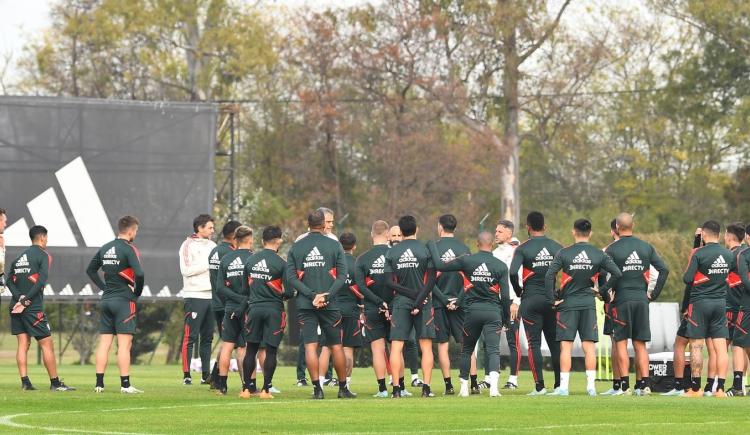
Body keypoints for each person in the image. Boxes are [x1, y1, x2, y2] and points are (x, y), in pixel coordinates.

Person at [545, 218, 622, 396]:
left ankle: (563, 388)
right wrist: (601, 291)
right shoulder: (598, 254)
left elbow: (549, 275)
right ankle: (591, 388)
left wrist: (552, 300)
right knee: (589, 347)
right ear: (591, 233)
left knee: (566, 347)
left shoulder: (564, 253)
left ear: (573, 231)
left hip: (567, 305)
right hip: (588, 304)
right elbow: (617, 273)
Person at [428, 232, 510, 397]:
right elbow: (506, 297)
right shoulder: (501, 266)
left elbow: (439, 265)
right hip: (493, 312)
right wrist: (506, 319)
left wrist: (431, 246)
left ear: (477, 244)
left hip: (471, 312)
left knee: (466, 349)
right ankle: (494, 389)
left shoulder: (467, 260)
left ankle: (464, 389)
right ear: (492, 244)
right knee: (493, 350)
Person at [286, 209, 355, 399]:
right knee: (336, 346)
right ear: (324, 224)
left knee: (310, 346)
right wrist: (326, 295)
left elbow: (291, 277)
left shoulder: (297, 247)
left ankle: (317, 389)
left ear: (308, 225)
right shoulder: (334, 245)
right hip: (330, 304)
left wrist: (310, 295)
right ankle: (343, 389)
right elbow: (343, 276)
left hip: (306, 304)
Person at [601, 213, 669, 396]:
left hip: (621, 301)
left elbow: (602, 274)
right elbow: (664, 270)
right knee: (640, 345)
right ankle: (645, 385)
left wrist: (605, 293)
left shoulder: (612, 249)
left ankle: (624, 386)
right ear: (634, 225)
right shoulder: (646, 247)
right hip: (641, 300)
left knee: (621, 343)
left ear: (616, 226)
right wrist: (652, 295)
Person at [384, 215, 449, 398]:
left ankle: (396, 389)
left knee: (396, 347)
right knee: (426, 347)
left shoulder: (392, 252)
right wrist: (418, 299)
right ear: (417, 229)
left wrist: (410, 296)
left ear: (401, 232)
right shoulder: (425, 249)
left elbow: (389, 283)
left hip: (400, 303)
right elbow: (431, 281)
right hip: (424, 302)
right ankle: (426, 388)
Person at [7, 225, 74, 391]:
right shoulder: (44, 255)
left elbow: (8, 280)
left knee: (23, 344)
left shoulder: (19, 258)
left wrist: (19, 298)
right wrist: (25, 300)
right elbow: (41, 281)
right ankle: (55, 383)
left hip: (15, 306)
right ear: (43, 238)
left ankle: (25, 382)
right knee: (47, 344)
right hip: (31, 308)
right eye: (47, 238)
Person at [87, 215, 145, 394]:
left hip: (106, 300)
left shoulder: (105, 248)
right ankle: (125, 385)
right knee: (124, 344)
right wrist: (136, 293)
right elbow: (140, 274)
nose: (136, 234)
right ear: (131, 231)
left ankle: (99, 384)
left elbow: (90, 270)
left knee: (104, 343)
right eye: (136, 231)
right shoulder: (129, 249)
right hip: (124, 301)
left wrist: (104, 287)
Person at [509, 211, 563, 395]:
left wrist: (518, 292)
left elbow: (512, 273)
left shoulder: (523, 248)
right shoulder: (556, 247)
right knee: (556, 344)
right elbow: (568, 272)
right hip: (552, 301)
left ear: (528, 227)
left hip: (531, 299)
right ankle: (559, 385)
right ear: (545, 227)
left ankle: (539, 386)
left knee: (534, 344)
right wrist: (560, 294)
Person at [682, 220, 734, 398]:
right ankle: (719, 389)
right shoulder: (728, 255)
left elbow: (687, 279)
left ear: (703, 234)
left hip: (699, 304)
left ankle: (696, 389)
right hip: (720, 304)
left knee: (696, 346)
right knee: (721, 348)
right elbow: (732, 276)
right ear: (719, 235)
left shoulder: (699, 253)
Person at [240, 225, 293, 399]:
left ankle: (246, 389)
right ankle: (265, 390)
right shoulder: (281, 263)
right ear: (279, 241)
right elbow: (290, 291)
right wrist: (282, 295)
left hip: (254, 308)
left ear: (262, 241)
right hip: (274, 311)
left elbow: (244, 288)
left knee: (251, 350)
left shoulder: (250, 260)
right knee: (270, 351)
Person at [295, 207, 337, 387]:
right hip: (307, 298)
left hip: (327, 299)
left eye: (332, 223)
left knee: (329, 340)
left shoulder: (334, 240)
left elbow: (336, 272)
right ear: (320, 223)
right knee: (308, 340)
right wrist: (312, 294)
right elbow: (296, 273)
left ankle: (327, 375)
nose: (330, 226)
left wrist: (326, 295)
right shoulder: (301, 241)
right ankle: (301, 375)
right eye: (327, 222)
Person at [356, 220, 398, 397]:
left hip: (372, 308)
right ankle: (399, 387)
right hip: (396, 309)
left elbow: (361, 286)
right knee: (396, 348)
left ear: (371, 235)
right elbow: (401, 282)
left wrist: (378, 302)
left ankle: (382, 389)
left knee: (377, 349)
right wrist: (390, 304)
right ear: (388, 234)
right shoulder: (396, 255)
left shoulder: (362, 259)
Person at [432, 214, 471, 395]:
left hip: (440, 304)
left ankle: (448, 385)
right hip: (461, 304)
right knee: (466, 344)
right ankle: (474, 383)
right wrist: (459, 300)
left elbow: (429, 281)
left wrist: (444, 300)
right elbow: (470, 280)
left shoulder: (433, 248)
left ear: (440, 227)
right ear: (455, 227)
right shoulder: (464, 248)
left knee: (442, 344)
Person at [662, 228, 703, 396]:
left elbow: (689, 283)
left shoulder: (698, 255)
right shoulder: (720, 256)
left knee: (680, 344)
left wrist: (685, 307)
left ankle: (680, 386)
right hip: (716, 306)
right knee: (716, 347)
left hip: (695, 306)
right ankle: (713, 386)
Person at [178, 214, 217, 385]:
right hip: (194, 295)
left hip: (211, 296)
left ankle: (205, 375)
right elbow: (186, 270)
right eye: (209, 227)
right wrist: (208, 264)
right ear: (200, 228)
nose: (212, 230)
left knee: (207, 337)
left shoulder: (213, 245)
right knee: (191, 336)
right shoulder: (187, 245)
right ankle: (187, 375)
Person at [215, 225, 253, 395]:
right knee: (244, 348)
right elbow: (254, 288)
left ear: (235, 240)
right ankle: (247, 386)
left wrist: (235, 300)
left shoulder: (226, 259)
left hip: (229, 307)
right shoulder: (254, 259)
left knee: (227, 346)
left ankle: (222, 386)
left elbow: (220, 289)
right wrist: (243, 300)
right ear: (250, 240)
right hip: (247, 309)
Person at [206, 220, 242, 388]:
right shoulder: (230, 254)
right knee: (234, 343)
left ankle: (215, 377)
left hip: (216, 302)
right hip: (228, 303)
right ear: (235, 235)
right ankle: (221, 379)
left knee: (226, 341)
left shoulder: (215, 250)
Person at [388, 225, 423, 388]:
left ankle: (414, 376)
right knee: (393, 343)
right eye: (393, 235)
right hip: (394, 304)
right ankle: (395, 379)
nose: (396, 238)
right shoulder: (389, 254)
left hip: (408, 302)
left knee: (411, 341)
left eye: (398, 235)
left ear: (402, 235)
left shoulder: (410, 252)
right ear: (388, 237)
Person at [492, 220, 521, 390]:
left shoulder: (516, 252)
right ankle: (490, 377)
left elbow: (519, 279)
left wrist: (516, 301)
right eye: (496, 231)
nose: (496, 234)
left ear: (509, 234)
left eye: (500, 231)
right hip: (496, 301)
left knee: (512, 340)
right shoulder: (494, 253)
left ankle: (513, 379)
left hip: (511, 301)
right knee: (491, 339)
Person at [337, 232, 363, 389]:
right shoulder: (357, 264)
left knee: (327, 348)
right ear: (354, 246)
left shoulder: (334, 263)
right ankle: (346, 384)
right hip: (352, 310)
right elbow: (362, 288)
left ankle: (318, 383)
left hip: (333, 310)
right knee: (348, 349)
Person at [724, 223, 746, 396]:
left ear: (729, 236)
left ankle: (718, 385)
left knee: (726, 346)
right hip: (742, 307)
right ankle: (742, 383)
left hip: (734, 307)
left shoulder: (733, 256)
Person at [732, 224, 750, 396]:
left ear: (747, 237)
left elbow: (745, 280)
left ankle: (738, 386)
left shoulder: (743, 255)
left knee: (738, 344)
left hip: (747, 306)